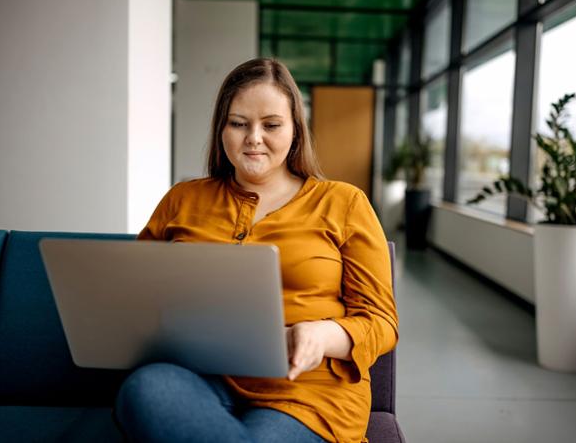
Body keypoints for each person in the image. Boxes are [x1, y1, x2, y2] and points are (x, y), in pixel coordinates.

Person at [114, 58, 398, 443]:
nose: (254, 138)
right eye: (238, 123)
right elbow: (134, 292)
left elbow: (381, 322)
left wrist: (323, 333)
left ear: (296, 130)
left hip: (306, 392)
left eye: (272, 124)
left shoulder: (344, 202)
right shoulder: (181, 199)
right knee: (147, 389)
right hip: (200, 376)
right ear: (221, 129)